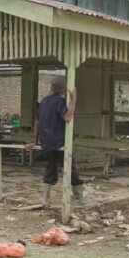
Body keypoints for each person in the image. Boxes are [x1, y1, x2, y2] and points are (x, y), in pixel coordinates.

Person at [26, 76, 84, 206]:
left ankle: (45, 197)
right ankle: (79, 196)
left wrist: (35, 142)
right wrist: (74, 99)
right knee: (71, 169)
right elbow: (68, 117)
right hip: (59, 143)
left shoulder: (44, 101)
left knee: (51, 167)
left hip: (46, 142)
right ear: (63, 90)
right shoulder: (60, 102)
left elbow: (37, 123)